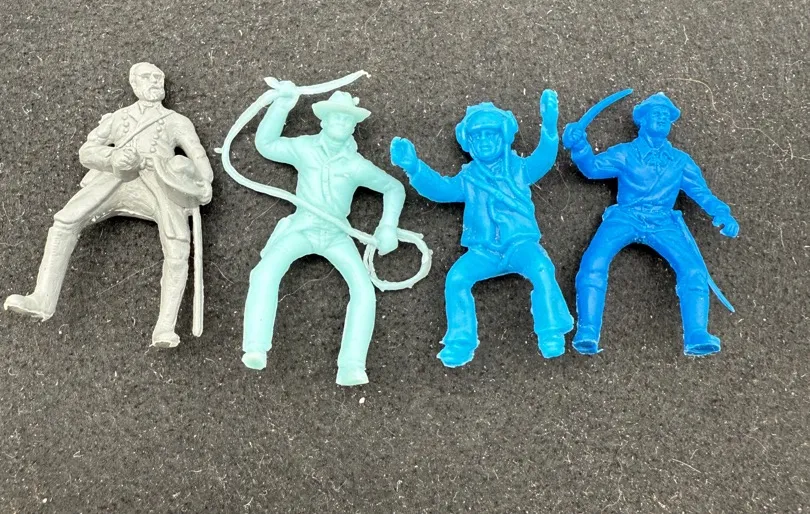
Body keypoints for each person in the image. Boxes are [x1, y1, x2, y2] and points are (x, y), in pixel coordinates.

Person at [4, 62, 213, 348]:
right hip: (114, 179)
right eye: (147, 77)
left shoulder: (177, 121)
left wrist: (202, 183)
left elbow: (199, 157)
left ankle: (165, 326)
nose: (155, 82)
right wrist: (112, 158)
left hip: (158, 184)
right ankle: (42, 298)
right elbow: (87, 151)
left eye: (158, 77)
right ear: (135, 84)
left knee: (178, 245)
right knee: (65, 221)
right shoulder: (119, 118)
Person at [390, 91, 573, 367]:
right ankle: (460, 341)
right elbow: (442, 189)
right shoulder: (469, 178)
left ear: (504, 136)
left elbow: (544, 158)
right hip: (484, 251)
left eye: (491, 135)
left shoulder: (518, 169)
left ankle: (551, 332)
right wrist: (414, 167)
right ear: (469, 143)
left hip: (520, 246)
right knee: (456, 278)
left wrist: (548, 125)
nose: (484, 141)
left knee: (542, 268)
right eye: (477, 137)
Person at [241, 82, 405, 387]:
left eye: (347, 119)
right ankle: (255, 346)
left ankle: (352, 365)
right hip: (302, 227)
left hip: (336, 234)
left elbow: (393, 188)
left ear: (354, 126)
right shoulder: (304, 148)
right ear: (324, 120)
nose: (341, 123)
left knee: (364, 290)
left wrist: (387, 227)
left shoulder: (355, 164)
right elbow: (266, 144)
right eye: (336, 117)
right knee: (264, 272)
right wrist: (282, 105)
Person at [563, 92, 740, 356]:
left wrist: (722, 213)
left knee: (693, 270)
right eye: (656, 114)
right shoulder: (626, 153)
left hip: (662, 220)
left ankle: (696, 334)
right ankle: (588, 330)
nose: (662, 118)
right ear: (642, 120)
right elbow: (593, 168)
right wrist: (580, 147)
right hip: (626, 216)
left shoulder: (680, 161)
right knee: (593, 262)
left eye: (666, 116)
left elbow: (702, 192)